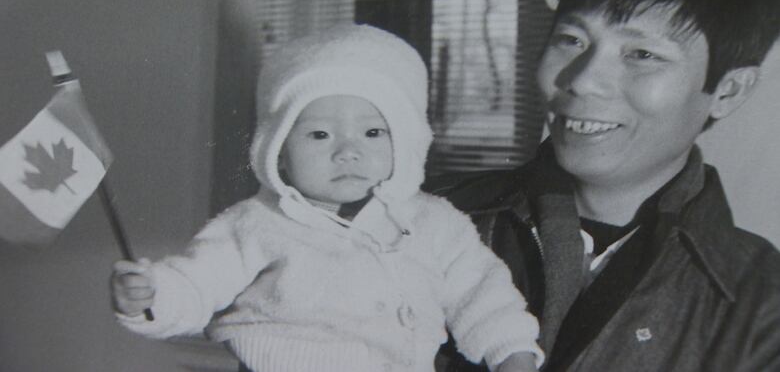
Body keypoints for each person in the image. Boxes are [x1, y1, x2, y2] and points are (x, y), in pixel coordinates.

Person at [429, 0, 780, 371]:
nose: (583, 79)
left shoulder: (762, 305)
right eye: (572, 39)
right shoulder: (424, 222)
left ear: (728, 91)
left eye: (642, 54)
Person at [110, 24, 543, 372]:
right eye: (319, 134)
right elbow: (197, 280)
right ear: (278, 149)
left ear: (407, 140)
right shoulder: (257, 222)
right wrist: (153, 296)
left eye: (373, 132)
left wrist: (512, 351)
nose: (347, 151)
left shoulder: (435, 222)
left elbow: (482, 293)